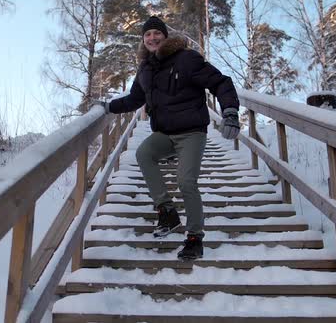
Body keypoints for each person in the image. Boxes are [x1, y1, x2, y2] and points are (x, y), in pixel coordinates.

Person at [97, 16, 240, 260]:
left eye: (156, 33)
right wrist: (108, 107)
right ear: (143, 40)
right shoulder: (145, 69)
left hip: (192, 132)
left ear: (165, 36)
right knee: (144, 153)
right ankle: (167, 211)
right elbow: (134, 100)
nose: (152, 38)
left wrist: (230, 111)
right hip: (164, 133)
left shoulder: (187, 59)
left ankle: (195, 237)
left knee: (185, 181)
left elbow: (220, 82)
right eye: (147, 34)